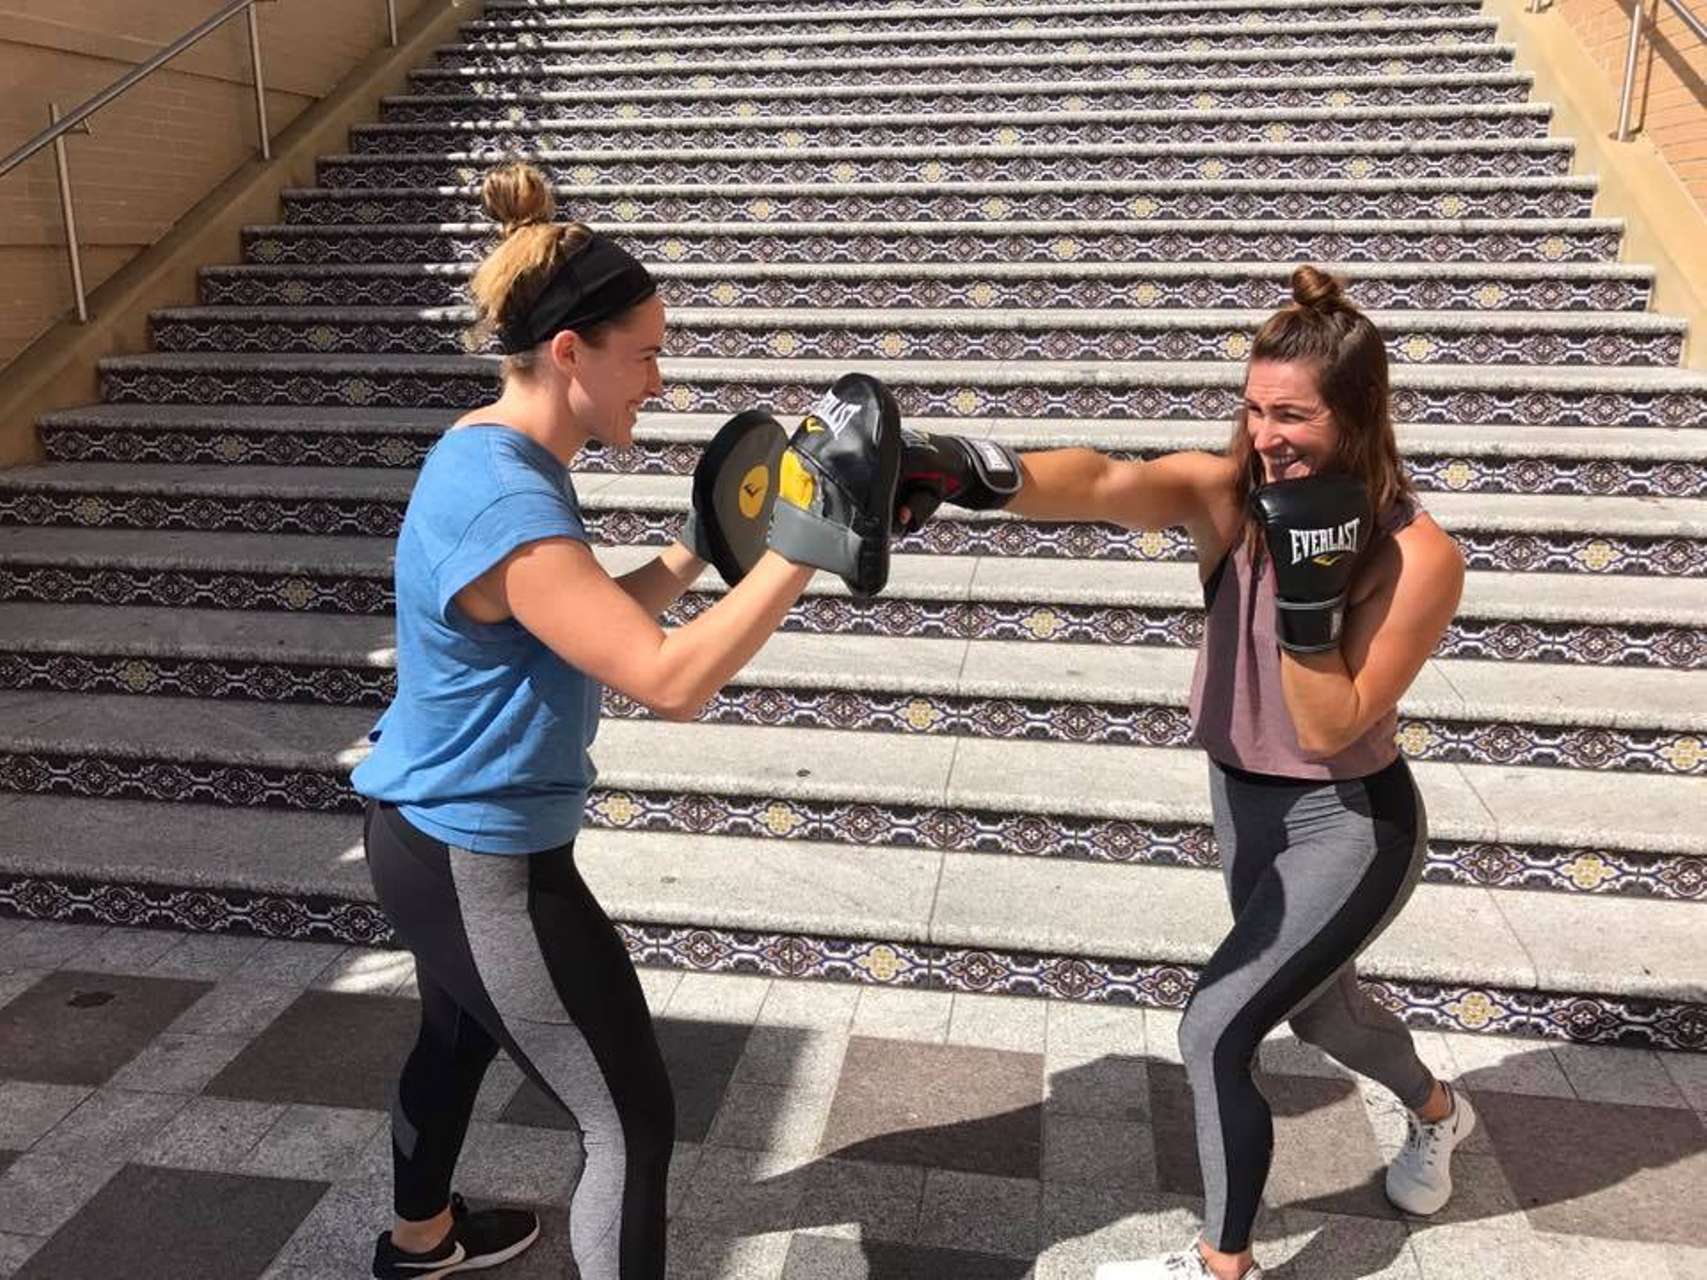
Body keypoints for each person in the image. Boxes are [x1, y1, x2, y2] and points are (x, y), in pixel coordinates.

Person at [350, 161, 900, 1280]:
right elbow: (665, 678)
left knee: (454, 1035)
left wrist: (698, 549)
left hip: (430, 831)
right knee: (629, 1120)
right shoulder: (508, 499)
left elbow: (578, 618)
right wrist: (802, 543)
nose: (659, 376)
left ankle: (419, 1242)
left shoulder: (488, 451)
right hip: (477, 854)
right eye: (644, 352)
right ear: (571, 352)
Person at [895, 266, 1475, 1280]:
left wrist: (1310, 584)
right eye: (1253, 409)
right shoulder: (1229, 496)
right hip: (1246, 798)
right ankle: (1441, 1109)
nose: (1265, 436)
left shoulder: (1418, 555)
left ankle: (1223, 1265)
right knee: (1324, 1009)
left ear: (1360, 412)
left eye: (1291, 414)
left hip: (1350, 820)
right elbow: (1106, 482)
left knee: (1215, 1026)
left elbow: (1333, 717)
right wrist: (964, 468)